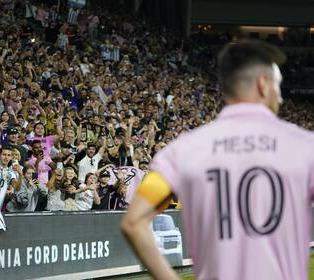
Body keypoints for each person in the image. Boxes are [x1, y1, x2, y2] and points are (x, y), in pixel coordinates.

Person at [121, 40, 314, 280]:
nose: (281, 98)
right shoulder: (304, 146)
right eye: (279, 86)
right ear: (263, 84)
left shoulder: (181, 151)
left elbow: (133, 222)